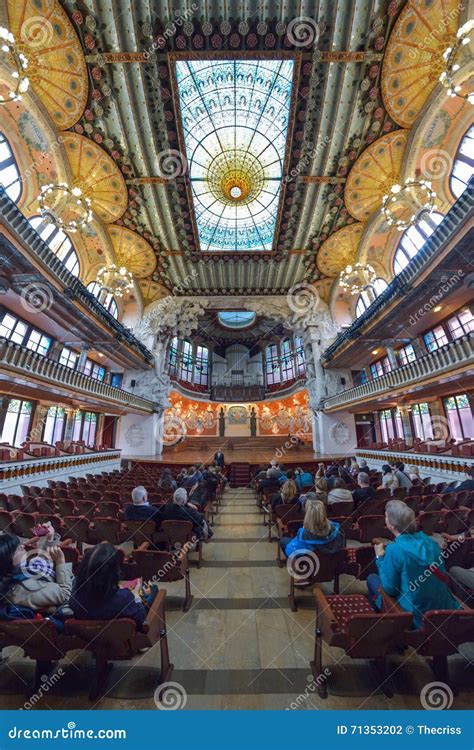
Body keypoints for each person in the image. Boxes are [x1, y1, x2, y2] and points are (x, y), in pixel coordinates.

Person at [367, 500, 460, 628]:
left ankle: (386, 626)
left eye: (386, 516)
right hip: (443, 607)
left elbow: (389, 589)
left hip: (416, 614)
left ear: (391, 525)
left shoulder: (395, 550)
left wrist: (380, 557)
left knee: (372, 578)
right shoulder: (430, 541)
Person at [70, 543, 147, 629]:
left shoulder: (75, 597)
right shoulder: (125, 598)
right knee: (152, 591)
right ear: (115, 572)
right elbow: (140, 618)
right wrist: (137, 598)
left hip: (86, 639)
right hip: (121, 641)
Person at [0, 527, 73, 615]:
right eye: (17, 549)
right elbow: (65, 594)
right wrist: (60, 563)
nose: (23, 546)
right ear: (7, 560)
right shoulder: (25, 589)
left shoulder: (11, 574)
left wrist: (50, 539)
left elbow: (39, 567)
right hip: (70, 609)